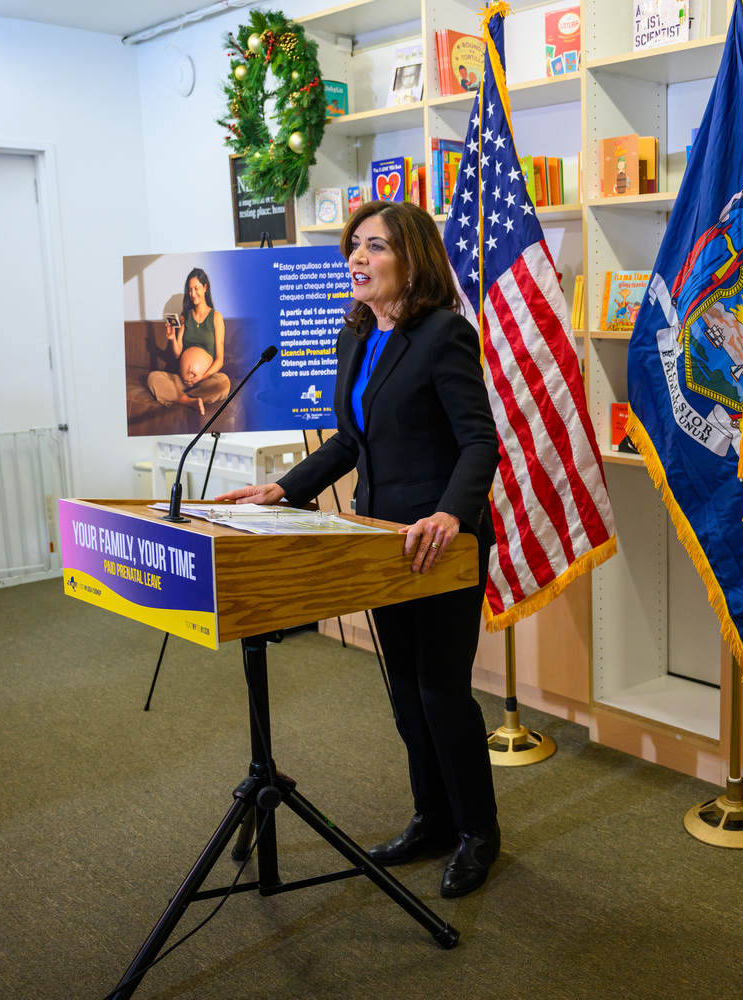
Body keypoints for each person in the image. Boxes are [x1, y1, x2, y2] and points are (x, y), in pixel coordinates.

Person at [214, 200, 502, 898]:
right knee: (404, 696)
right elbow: (351, 441)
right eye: (354, 246)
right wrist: (281, 490)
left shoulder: (444, 334)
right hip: (377, 544)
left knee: (441, 696)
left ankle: (478, 833)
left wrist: (449, 514)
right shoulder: (356, 336)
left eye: (374, 247)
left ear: (411, 259)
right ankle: (432, 818)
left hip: (439, 543)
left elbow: (478, 440)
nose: (357, 258)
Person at [149, 268, 231, 415]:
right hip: (181, 381)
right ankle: (188, 401)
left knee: (224, 383)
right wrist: (173, 338)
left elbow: (219, 360)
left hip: (205, 381)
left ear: (205, 288)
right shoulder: (185, 316)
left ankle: (177, 397)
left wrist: (202, 377)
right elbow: (177, 353)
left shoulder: (216, 317)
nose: (192, 294)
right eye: (190, 290)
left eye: (196, 288)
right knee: (153, 378)